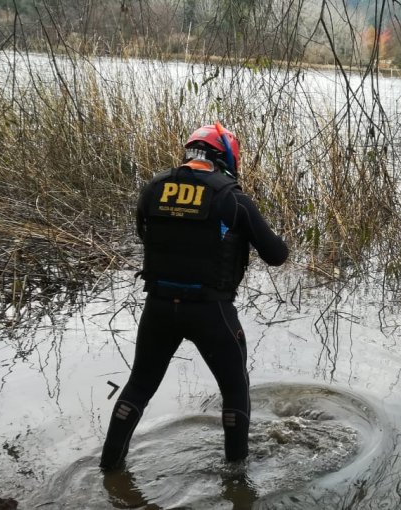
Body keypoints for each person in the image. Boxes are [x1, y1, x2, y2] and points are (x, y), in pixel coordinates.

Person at [100, 123, 289, 471]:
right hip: (211, 310)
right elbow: (276, 255)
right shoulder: (232, 199)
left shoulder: (153, 189)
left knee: (139, 386)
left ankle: (109, 468)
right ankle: (236, 477)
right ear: (227, 158)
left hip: (157, 307)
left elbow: (147, 235)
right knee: (234, 388)